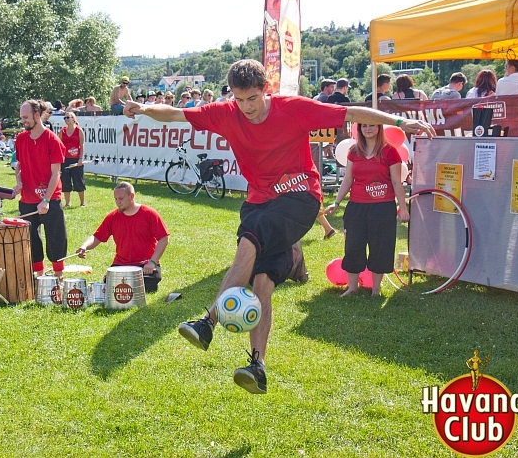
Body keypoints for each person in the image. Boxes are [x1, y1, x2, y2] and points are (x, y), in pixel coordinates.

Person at [124, 59, 435, 394]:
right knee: (262, 281)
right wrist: (143, 107)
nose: (247, 108)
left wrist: (400, 121)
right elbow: (175, 115)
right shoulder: (225, 112)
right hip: (259, 201)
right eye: (240, 100)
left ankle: (207, 322)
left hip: (300, 196)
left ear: (265, 90)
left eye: (253, 99)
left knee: (248, 243)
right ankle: (257, 365)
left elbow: (352, 114)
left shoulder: (293, 108)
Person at [324, 123, 410, 297]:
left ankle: (376, 289)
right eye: (364, 126)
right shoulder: (354, 151)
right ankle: (352, 287)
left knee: (381, 247)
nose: (368, 129)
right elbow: (347, 179)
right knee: (353, 246)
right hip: (357, 207)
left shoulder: (390, 152)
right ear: (359, 129)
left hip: (383, 208)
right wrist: (337, 202)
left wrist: (403, 208)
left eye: (372, 125)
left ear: (379, 128)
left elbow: (396, 182)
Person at [76, 181, 169, 293]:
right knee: (109, 281)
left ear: (132, 196)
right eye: (115, 199)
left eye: (121, 198)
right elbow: (97, 237)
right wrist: (84, 246)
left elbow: (164, 239)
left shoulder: (149, 214)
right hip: (122, 264)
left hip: (145, 264)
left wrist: (152, 262)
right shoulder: (112, 217)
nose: (117, 202)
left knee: (150, 280)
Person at [14, 100, 68, 279]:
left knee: (56, 239)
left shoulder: (53, 140)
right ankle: (38, 276)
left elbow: (56, 173)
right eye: (22, 118)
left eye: (26, 117)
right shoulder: (21, 138)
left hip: (50, 199)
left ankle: (59, 277)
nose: (23, 121)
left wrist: (45, 199)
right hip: (27, 200)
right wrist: (19, 181)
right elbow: (18, 165)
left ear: (37, 115)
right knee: (31, 239)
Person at [59, 111, 86, 208]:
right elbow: (59, 145)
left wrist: (80, 159)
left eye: (68, 117)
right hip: (65, 159)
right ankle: (67, 203)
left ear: (73, 118)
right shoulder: (62, 131)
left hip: (76, 159)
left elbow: (82, 145)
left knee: (78, 180)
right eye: (65, 118)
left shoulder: (79, 130)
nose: (66, 120)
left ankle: (82, 202)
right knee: (65, 181)